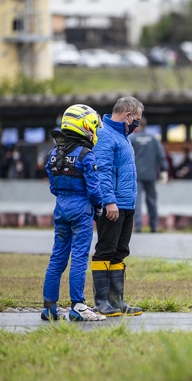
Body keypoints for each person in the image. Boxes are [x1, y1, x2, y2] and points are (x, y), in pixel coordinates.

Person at [41, 104, 105, 322]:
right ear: (85, 126)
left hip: (61, 208)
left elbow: (53, 187)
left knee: (58, 257)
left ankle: (49, 307)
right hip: (81, 209)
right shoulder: (86, 154)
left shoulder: (52, 153)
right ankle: (78, 307)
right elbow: (94, 189)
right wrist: (98, 206)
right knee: (79, 257)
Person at [91, 96, 144, 317]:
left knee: (120, 252)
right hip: (113, 206)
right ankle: (101, 302)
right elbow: (102, 172)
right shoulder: (105, 135)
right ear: (128, 115)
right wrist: (109, 201)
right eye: (137, 119)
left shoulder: (123, 137)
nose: (137, 124)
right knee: (105, 250)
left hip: (127, 204)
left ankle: (116, 301)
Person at [130, 117, 168, 233]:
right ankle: (153, 226)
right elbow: (160, 155)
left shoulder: (132, 138)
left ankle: (138, 226)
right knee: (152, 200)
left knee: (137, 201)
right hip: (151, 175)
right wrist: (164, 169)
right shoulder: (153, 139)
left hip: (136, 175)